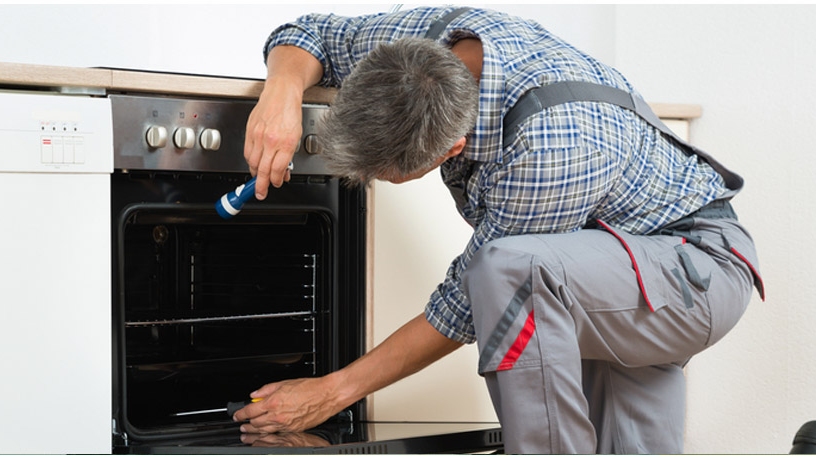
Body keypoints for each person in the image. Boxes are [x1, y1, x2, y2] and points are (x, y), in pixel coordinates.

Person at [233, 6, 764, 454]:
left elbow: (469, 302)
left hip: (691, 273)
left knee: (506, 269)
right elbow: (308, 33)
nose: (378, 182)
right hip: (610, 264)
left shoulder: (551, 148)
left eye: (387, 176)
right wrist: (280, 92)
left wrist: (333, 391)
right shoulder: (427, 46)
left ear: (452, 148)